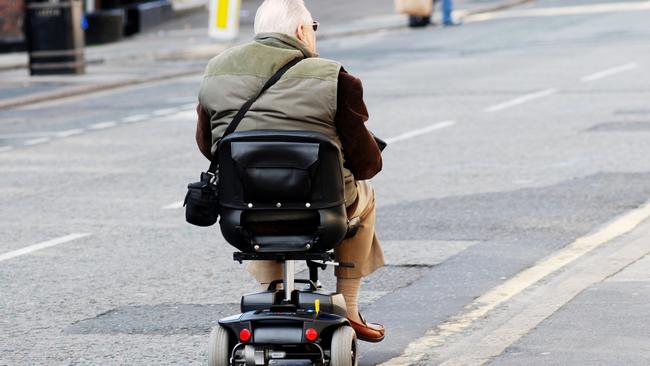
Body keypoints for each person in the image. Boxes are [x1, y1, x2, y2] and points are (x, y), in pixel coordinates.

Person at [194, 0, 386, 343]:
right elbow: (367, 164)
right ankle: (351, 305)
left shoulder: (216, 70)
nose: (313, 35)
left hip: (242, 213)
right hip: (324, 210)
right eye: (313, 29)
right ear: (301, 31)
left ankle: (271, 289)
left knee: (258, 199)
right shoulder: (335, 77)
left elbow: (208, 146)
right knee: (366, 193)